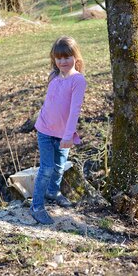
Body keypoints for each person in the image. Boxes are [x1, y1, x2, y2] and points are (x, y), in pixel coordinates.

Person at [30, 36, 87, 225]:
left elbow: (74, 110)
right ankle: (36, 206)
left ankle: (53, 193)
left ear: (75, 57)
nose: (63, 62)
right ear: (54, 59)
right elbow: (51, 103)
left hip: (63, 133)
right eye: (59, 58)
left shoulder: (78, 81)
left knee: (60, 166)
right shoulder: (53, 77)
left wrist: (68, 135)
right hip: (45, 130)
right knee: (46, 168)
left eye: (67, 57)